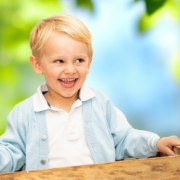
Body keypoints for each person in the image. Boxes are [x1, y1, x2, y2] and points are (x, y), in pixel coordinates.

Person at [0, 14, 180, 173]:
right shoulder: (24, 114)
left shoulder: (99, 103)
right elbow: (10, 151)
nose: (70, 69)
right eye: (59, 61)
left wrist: (154, 143)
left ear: (89, 62)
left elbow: (124, 138)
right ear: (38, 65)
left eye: (79, 60)